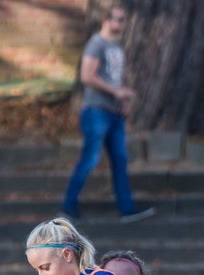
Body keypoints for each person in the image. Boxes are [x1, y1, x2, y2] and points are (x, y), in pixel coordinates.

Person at [61, 3, 154, 223]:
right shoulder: (96, 44)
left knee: (120, 160)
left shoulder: (116, 47)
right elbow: (87, 76)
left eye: (123, 20)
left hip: (113, 113)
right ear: (106, 20)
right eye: (118, 19)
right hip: (96, 112)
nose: (122, 24)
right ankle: (68, 207)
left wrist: (121, 101)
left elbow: (113, 78)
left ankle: (126, 209)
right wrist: (117, 91)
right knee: (90, 159)